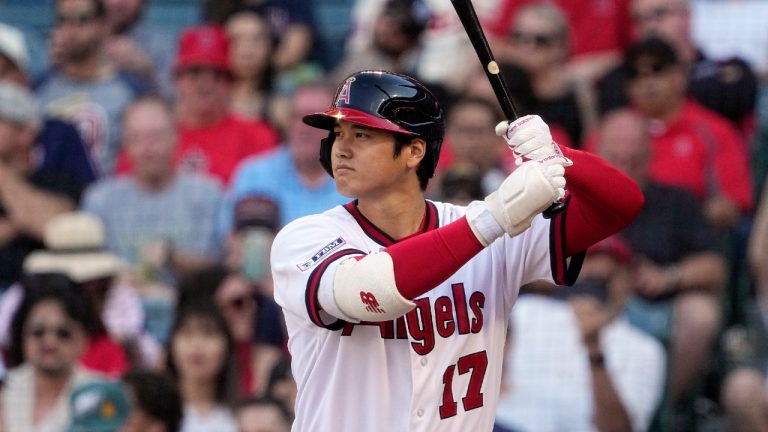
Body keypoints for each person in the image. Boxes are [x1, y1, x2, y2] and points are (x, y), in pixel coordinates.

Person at [269, 70, 644, 430]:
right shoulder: (306, 237)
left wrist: (558, 155)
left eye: (362, 135)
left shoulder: (488, 228)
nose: (341, 149)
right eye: (337, 134)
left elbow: (622, 205)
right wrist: (492, 218)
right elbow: (368, 292)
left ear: (414, 151)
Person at [595, 108, 727, 409]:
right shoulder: (572, 198)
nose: (625, 169)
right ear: (597, 154)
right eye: (616, 160)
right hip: (583, 304)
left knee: (701, 313)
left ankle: (656, 409)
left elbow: (715, 267)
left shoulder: (676, 201)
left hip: (648, 308)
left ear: (650, 157)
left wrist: (669, 275)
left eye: (635, 161)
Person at [494, 236, 666, 432]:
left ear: (628, 282)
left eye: (605, 279)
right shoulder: (528, 311)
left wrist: (594, 348)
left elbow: (619, 429)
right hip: (504, 422)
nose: (592, 284)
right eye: (586, 271)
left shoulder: (644, 349)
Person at [83, 97, 222, 287]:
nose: (147, 149)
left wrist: (173, 256)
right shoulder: (100, 199)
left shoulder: (209, 194)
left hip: (191, 306)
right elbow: (88, 270)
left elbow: (221, 269)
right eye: (136, 138)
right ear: (125, 144)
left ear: (176, 137)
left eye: (156, 137)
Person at [619, 36, 753, 230]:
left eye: (657, 69)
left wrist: (678, 223)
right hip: (624, 238)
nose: (647, 81)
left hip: (693, 238)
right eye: (635, 74)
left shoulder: (714, 131)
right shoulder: (610, 133)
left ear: (679, 75)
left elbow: (733, 204)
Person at [598, 0, 758, 134]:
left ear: (686, 16)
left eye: (659, 14)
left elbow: (739, 94)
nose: (649, 26)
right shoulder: (618, 78)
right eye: (639, 19)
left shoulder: (730, 69)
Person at [34, 0, 150, 176]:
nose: (70, 29)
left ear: (103, 25)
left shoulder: (130, 90)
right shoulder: (38, 88)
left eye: (82, 19)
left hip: (109, 197)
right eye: (62, 20)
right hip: (50, 198)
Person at [225, 82, 347, 232]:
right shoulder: (254, 175)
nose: (303, 128)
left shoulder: (360, 183)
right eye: (297, 117)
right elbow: (231, 244)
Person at [0, 82, 84, 291]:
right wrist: (25, 221)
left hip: (44, 294)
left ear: (26, 133)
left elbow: (56, 229)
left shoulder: (59, 181)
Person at [170, 24, 279, 185]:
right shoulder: (155, 137)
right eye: (195, 73)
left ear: (230, 83)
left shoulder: (258, 137)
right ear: (178, 80)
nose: (205, 84)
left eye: (216, 75)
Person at [0, 274, 99, 432]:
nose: (50, 343)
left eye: (63, 333)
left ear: (84, 339)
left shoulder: (100, 395)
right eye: (38, 332)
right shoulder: (5, 390)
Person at [499, 2, 597, 148]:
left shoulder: (579, 94)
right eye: (518, 36)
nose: (525, 46)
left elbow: (589, 143)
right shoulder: (497, 87)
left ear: (560, 46)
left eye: (539, 40)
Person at [167, 301, 239, 432]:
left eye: (209, 334)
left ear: (227, 347)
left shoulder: (242, 416)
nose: (197, 344)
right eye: (187, 333)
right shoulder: (154, 413)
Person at [103, 0, 177, 100]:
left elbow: (178, 101)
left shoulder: (162, 44)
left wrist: (149, 72)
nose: (119, 2)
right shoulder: (80, 40)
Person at [225, 8, 277, 122]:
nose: (247, 51)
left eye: (257, 40)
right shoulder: (202, 105)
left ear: (269, 47)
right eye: (236, 40)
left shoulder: (282, 108)